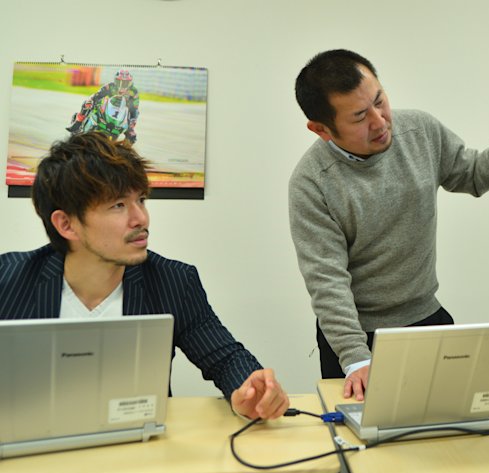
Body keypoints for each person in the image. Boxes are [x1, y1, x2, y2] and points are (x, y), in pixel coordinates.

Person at [289, 49, 489, 401]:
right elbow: (327, 281)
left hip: (427, 320)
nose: (380, 122)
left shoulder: (420, 131)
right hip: (355, 338)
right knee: (364, 432)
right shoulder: (312, 183)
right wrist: (355, 358)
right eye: (360, 117)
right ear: (321, 129)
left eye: (380, 101)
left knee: (453, 422)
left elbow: (474, 174)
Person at [0, 132, 288, 421]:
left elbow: (226, 360)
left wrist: (252, 392)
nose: (141, 218)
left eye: (141, 200)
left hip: (138, 442)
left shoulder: (173, 281)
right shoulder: (8, 279)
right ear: (67, 224)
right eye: (118, 205)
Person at [67, 69, 140, 143]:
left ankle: (125, 146)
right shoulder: (110, 86)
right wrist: (92, 102)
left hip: (121, 115)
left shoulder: (134, 92)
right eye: (119, 82)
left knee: (132, 134)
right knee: (88, 102)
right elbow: (97, 95)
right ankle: (78, 123)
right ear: (115, 81)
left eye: (125, 83)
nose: (121, 85)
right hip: (105, 108)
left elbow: (135, 108)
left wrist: (131, 125)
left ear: (129, 83)